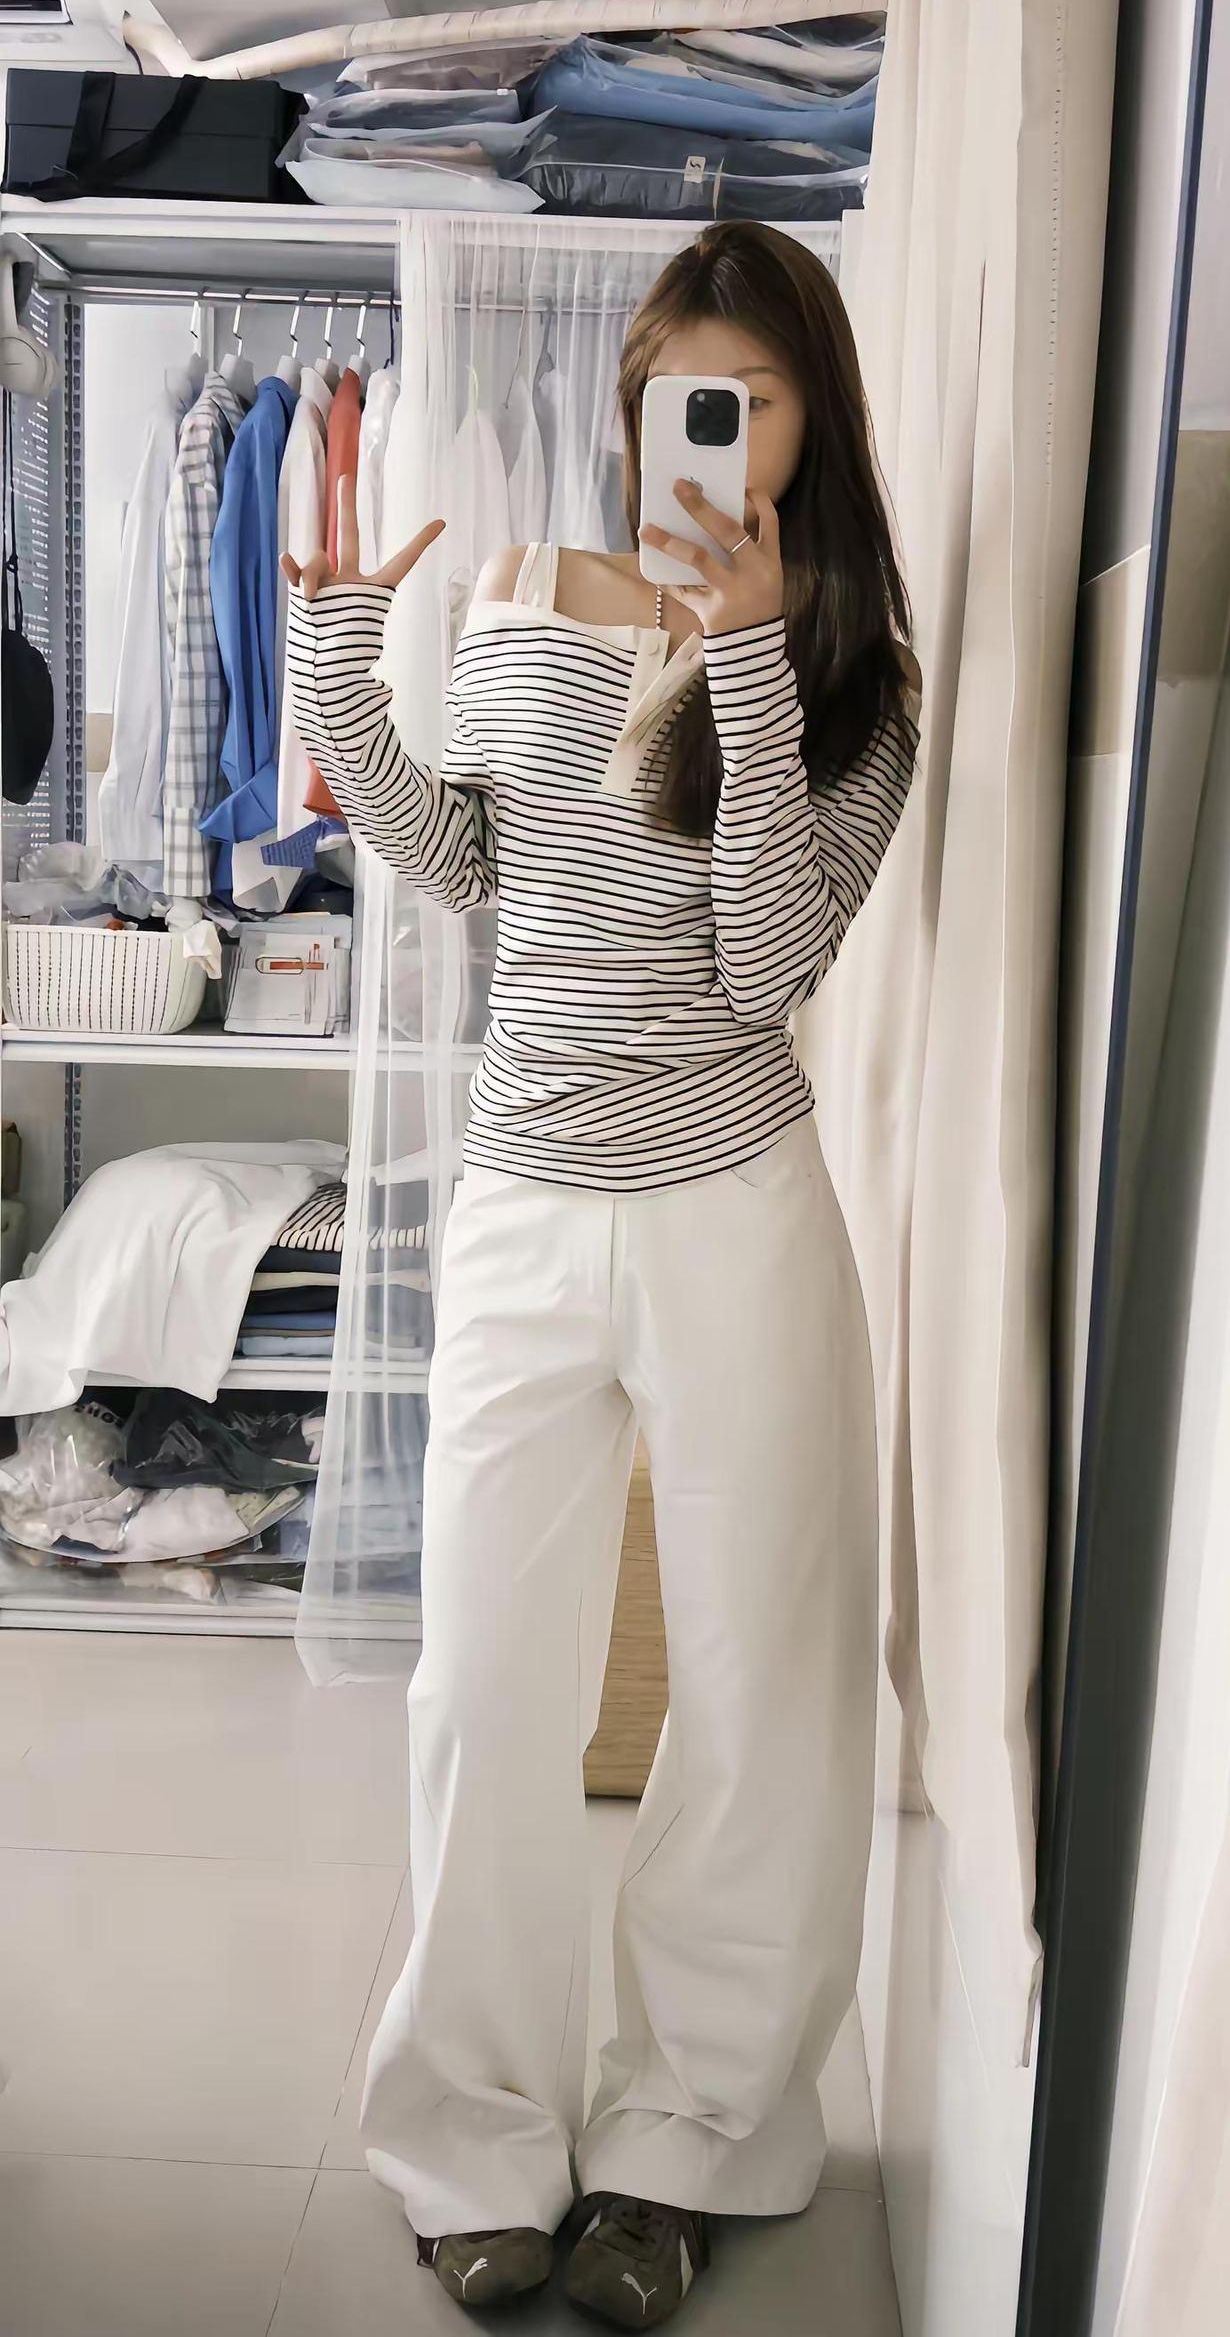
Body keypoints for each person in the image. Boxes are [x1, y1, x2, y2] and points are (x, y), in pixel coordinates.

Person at [284, 221, 922, 2327]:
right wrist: (337, 662)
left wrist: (743, 658)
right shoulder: (534, 589)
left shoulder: (856, 673)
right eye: (670, 394)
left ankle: (686, 2143)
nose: (698, 432)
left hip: (737, 1198)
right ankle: (471, 2135)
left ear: (809, 421)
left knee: (758, 1690)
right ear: (632, 401)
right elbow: (471, 865)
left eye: (746, 397)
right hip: (526, 1198)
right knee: (485, 1678)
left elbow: (766, 965)